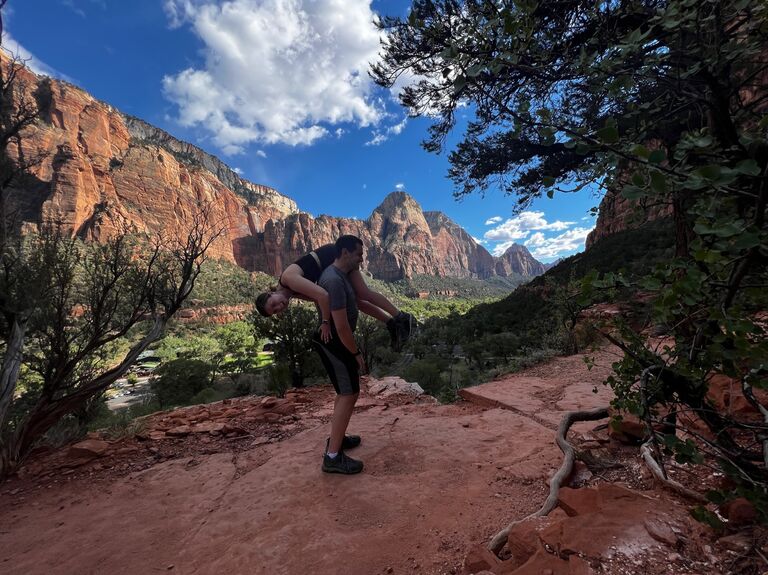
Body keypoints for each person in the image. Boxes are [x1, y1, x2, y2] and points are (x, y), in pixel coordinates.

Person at [255, 241, 413, 350]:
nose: (279, 307)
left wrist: (325, 322)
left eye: (273, 304)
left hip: (333, 256)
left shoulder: (289, 279)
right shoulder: (291, 293)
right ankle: (392, 323)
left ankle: (402, 317)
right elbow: (320, 298)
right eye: (275, 311)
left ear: (271, 293)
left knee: (363, 293)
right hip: (329, 265)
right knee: (356, 300)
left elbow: (323, 296)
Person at [313, 235, 368, 474]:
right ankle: (333, 456)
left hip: (337, 342)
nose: (361, 258)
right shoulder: (333, 280)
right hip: (336, 343)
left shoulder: (338, 276)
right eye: (358, 254)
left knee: (345, 392)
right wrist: (355, 353)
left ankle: (338, 437)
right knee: (349, 393)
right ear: (345, 253)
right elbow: (342, 326)